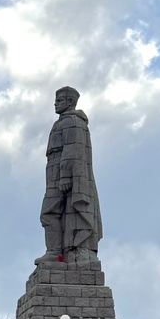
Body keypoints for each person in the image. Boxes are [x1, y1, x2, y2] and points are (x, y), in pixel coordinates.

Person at [37, 86, 102, 264]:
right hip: (53, 172)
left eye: (59, 100)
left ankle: (54, 251)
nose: (55, 104)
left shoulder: (72, 122)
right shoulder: (63, 122)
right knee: (55, 212)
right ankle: (57, 251)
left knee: (48, 212)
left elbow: (73, 149)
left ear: (70, 102)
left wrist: (66, 176)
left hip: (61, 173)